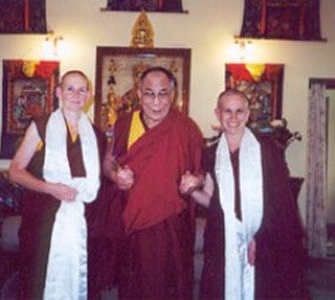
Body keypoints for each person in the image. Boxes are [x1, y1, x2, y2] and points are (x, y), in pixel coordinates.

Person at [180, 89, 307, 299]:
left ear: (248, 115)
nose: (233, 118)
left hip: (264, 237)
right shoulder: (211, 153)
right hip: (222, 237)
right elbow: (211, 198)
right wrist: (192, 191)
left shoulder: (267, 150)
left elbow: (280, 202)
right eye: (227, 111)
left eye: (239, 111)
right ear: (217, 114)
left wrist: (257, 237)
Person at [101, 66, 204, 299]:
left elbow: (202, 170)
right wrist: (116, 175)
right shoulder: (125, 124)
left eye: (163, 93)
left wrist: (195, 181)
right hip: (134, 223)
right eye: (149, 93)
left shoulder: (186, 128)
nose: (156, 101)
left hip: (172, 224)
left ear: (173, 94)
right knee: (134, 285)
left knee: (171, 285)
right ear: (139, 93)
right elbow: (108, 162)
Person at [8, 70, 104, 299]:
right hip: (43, 218)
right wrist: (51, 188)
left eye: (82, 89)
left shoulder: (96, 135)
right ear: (59, 92)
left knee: (82, 275)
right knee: (39, 279)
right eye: (70, 88)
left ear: (89, 95)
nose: (76, 94)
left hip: (83, 218)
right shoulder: (41, 126)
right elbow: (15, 171)